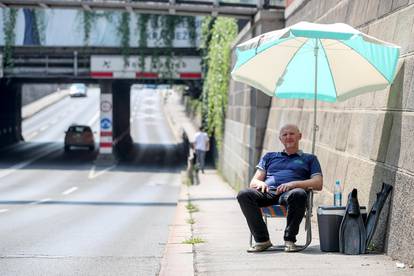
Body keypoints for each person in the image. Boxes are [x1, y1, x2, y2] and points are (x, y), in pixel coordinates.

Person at [237, 124, 323, 252]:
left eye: (292, 134)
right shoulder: (270, 156)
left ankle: (289, 239)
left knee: (299, 194)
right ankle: (262, 240)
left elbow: (318, 183)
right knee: (244, 194)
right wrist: (260, 183)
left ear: (299, 136)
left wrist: (293, 184)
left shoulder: (309, 159)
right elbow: (254, 181)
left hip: (291, 193)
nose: (288, 137)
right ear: (280, 139)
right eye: (285, 134)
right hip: (268, 192)